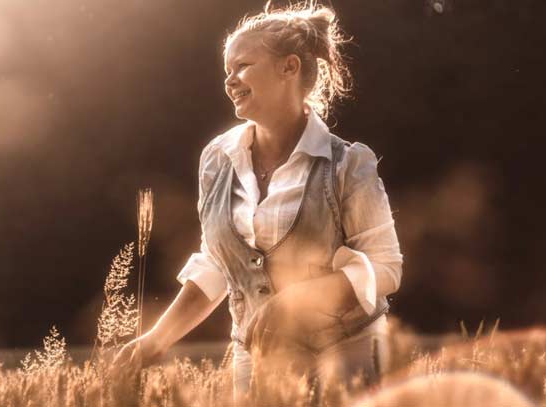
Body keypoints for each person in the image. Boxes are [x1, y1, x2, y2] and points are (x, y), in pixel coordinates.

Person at [114, 1, 403, 397]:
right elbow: (218, 264)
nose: (230, 80)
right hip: (258, 361)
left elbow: (386, 268)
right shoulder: (217, 159)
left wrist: (299, 299)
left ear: (289, 67)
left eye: (243, 66)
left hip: (347, 357)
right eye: (227, 71)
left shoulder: (349, 164)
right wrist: (155, 341)